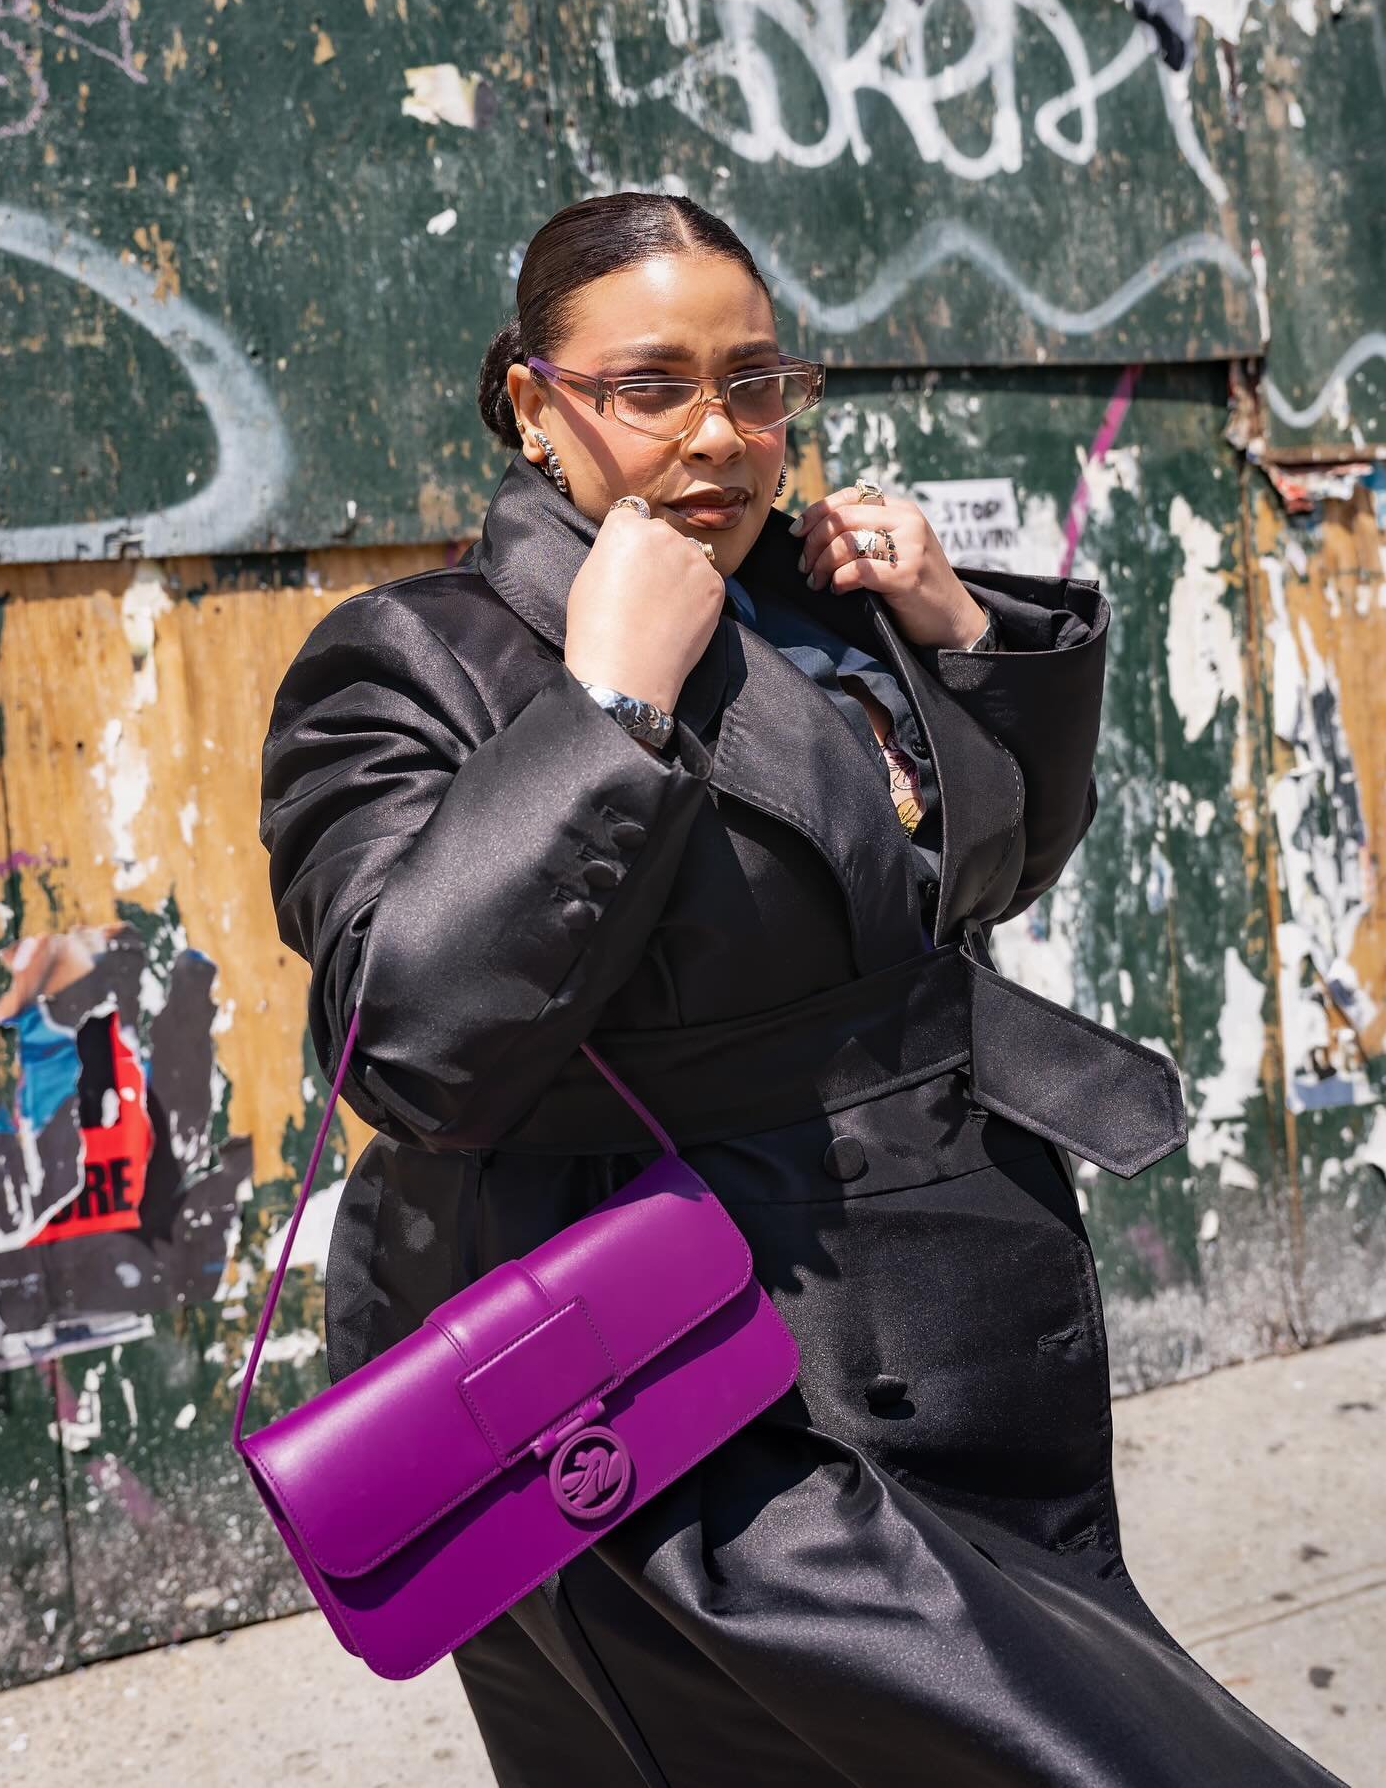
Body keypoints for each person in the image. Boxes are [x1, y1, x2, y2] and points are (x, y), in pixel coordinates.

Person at [259, 193, 1341, 1787]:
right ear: (530, 404)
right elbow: (410, 1038)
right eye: (651, 387)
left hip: (950, 1314)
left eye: (755, 384)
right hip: (690, 1394)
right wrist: (608, 704)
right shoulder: (417, 657)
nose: (718, 436)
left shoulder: (819, 615)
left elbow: (977, 882)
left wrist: (955, 631)